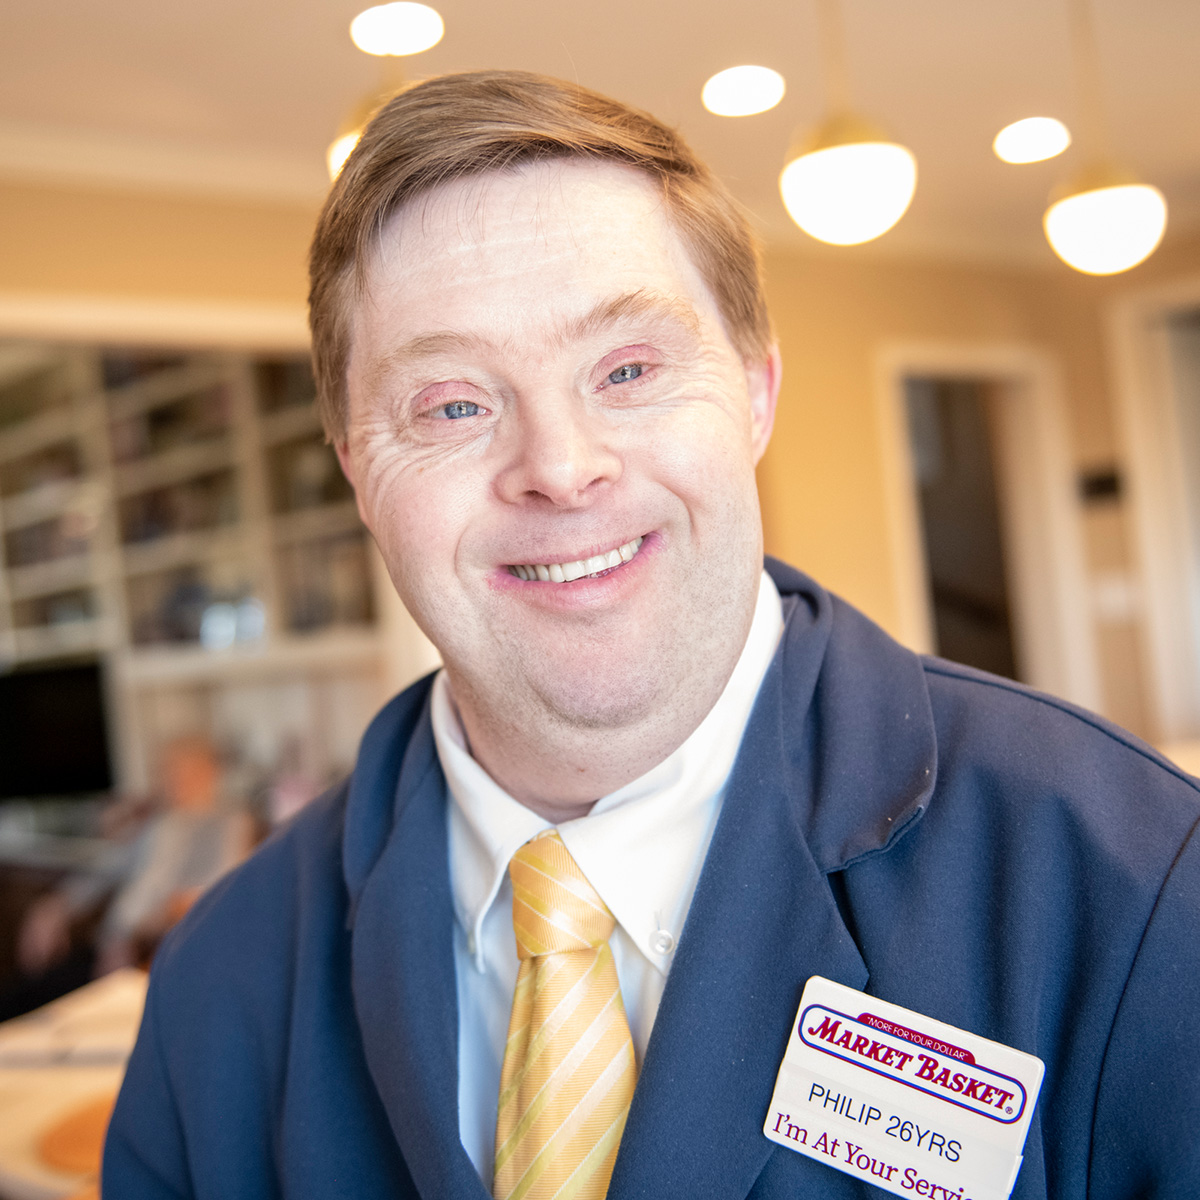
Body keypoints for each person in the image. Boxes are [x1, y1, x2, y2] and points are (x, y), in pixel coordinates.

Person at [103, 70, 1200, 1199]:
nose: (561, 467)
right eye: (453, 405)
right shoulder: (217, 988)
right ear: (356, 473)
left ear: (757, 394)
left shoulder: (1139, 891)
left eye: (627, 369)